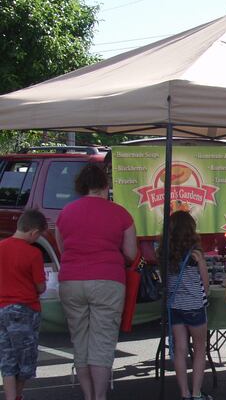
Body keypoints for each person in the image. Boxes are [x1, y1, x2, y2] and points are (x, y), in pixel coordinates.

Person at [56, 164, 137, 400]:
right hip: (108, 281)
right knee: (102, 343)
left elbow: (62, 249)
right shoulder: (120, 213)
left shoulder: (66, 213)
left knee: (80, 341)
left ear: (82, 186)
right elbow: (131, 253)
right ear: (105, 185)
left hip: (71, 281)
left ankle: (88, 396)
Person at [162, 211, 212, 400]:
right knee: (200, 349)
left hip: (175, 307)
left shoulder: (165, 254)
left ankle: (184, 393)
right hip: (194, 308)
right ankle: (197, 393)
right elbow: (205, 285)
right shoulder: (196, 255)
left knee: (180, 350)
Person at [0, 210, 48, 400]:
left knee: (7, 357)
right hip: (25, 309)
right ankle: (18, 395)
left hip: (2, 308)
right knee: (25, 360)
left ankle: (12, 397)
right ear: (33, 232)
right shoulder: (33, 253)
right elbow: (40, 286)